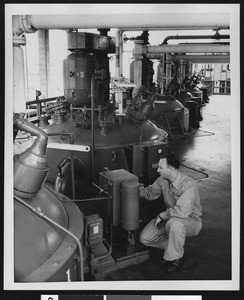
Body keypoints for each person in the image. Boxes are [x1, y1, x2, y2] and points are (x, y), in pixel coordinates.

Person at [139, 152, 202, 272]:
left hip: (190, 220)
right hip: (170, 217)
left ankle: (175, 258)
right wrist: (134, 188)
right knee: (144, 238)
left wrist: (162, 215)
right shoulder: (162, 180)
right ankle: (174, 244)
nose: (157, 170)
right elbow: (150, 193)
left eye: (160, 168)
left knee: (174, 224)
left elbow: (183, 211)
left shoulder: (188, 184)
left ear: (170, 169)